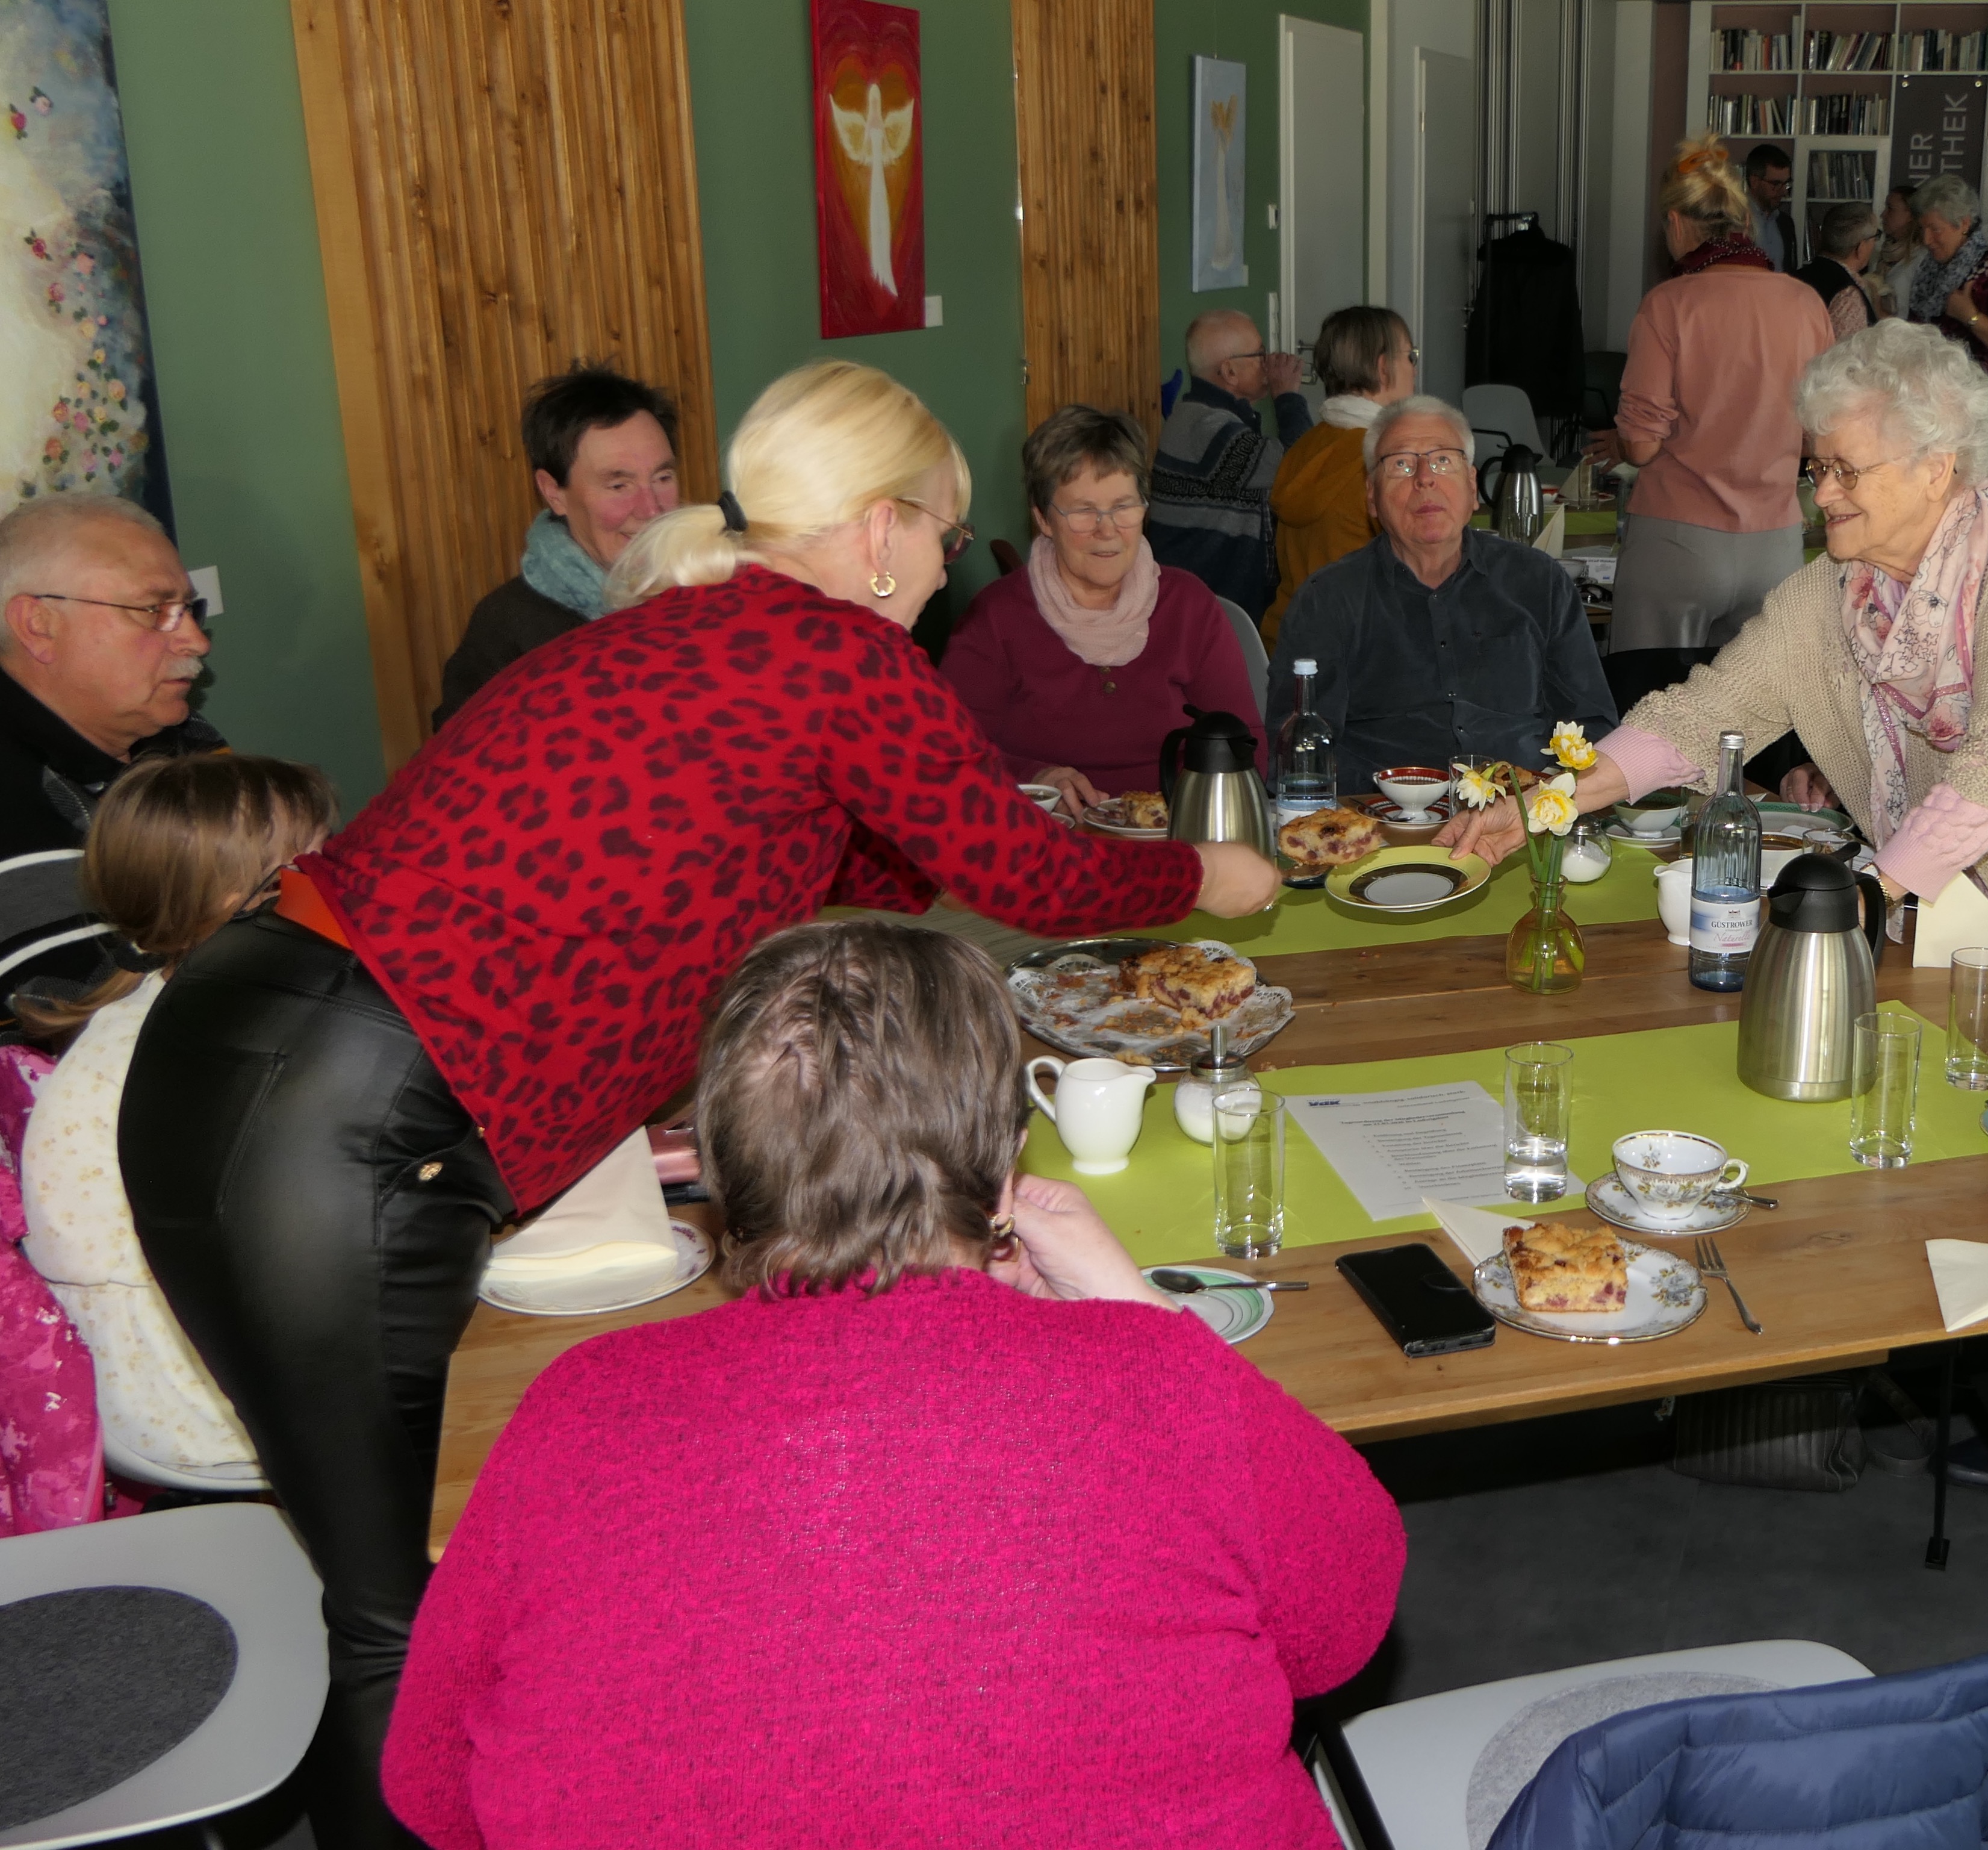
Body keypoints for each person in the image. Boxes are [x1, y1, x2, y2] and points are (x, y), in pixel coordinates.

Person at [117, 360, 1279, 1850]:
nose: (946, 565)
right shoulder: (833, 652)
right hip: (328, 1103)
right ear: (874, 530)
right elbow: (1032, 876)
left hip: (271, 1054)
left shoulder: (716, 635)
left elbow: (839, 885)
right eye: (939, 532)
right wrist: (1206, 871)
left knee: (399, 1592)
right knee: (397, 1616)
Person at [383, 920, 1401, 1848]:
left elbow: (432, 1786)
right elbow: (1344, 1622)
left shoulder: (580, 1406)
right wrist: (1134, 1308)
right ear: (1006, 1161)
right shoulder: (1158, 1377)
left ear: (715, 1172)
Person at [1447, 320, 1988, 1465]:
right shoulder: (1841, 591)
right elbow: (1699, 709)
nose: (1820, 491)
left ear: (1937, 465)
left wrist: (1864, 894)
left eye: (1842, 469)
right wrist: (1548, 803)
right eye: (1813, 465)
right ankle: (1973, 1332)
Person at [22, 755, 332, 1482]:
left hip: (155, 1376)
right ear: (240, 899)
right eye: (321, 861)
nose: (346, 880)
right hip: (201, 1403)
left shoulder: (158, 1004)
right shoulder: (213, 1052)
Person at [1593, 135, 1833, 708]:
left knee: (1651, 720)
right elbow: (1817, 437)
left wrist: (1631, 442)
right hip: (1774, 544)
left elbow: (1644, 446)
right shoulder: (1804, 303)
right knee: (1749, 724)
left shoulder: (1670, 304)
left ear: (1677, 223)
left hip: (1679, 542)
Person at [1281, 396, 1617, 788]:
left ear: (1473, 487)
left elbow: (1593, 726)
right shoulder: (1328, 599)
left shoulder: (1539, 582)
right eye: (1402, 464)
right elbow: (1299, 756)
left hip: (1525, 816)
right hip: (1379, 822)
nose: (1425, 478)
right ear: (1371, 496)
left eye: (1443, 460)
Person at [943, 406, 1264, 810]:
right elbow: (950, 755)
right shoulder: (995, 618)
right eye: (1083, 510)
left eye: (1123, 506)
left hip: (1177, 833)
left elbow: (1246, 744)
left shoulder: (1189, 607)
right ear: (1043, 518)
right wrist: (1036, 780)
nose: (1107, 529)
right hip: (1050, 842)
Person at [0, 495, 221, 992]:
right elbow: (78, 1023)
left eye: (188, 609)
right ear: (38, 626)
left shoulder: (183, 739)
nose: (197, 641)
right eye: (153, 610)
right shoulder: (16, 809)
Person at [432, 363, 681, 727]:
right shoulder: (509, 629)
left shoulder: (715, 592)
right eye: (619, 485)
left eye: (662, 477)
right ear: (554, 493)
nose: (652, 510)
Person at [1148, 308, 1312, 621]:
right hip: (1206, 611)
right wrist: (1288, 396)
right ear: (1230, 373)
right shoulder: (1209, 429)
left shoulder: (1206, 415)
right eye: (1260, 354)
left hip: (1216, 601)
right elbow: (1300, 464)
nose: (1269, 362)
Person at [1264, 305, 1415, 638]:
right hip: (1354, 653)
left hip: (1287, 642)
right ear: (1383, 368)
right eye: (1410, 356)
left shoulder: (1306, 445)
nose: (1414, 368)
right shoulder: (1385, 459)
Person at [1906, 173, 1988, 467]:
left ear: (1963, 223)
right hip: (1938, 415)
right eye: (1923, 229)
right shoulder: (1930, 271)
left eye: (1935, 229)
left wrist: (1971, 316)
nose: (1927, 240)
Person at [1801, 203, 1884, 339]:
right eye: (1875, 237)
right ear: (1861, 248)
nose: (1875, 243)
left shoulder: (1797, 276)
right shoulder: (1848, 296)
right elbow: (1851, 354)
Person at [1746, 141, 1801, 274]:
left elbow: (1790, 269)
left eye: (1786, 183)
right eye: (1775, 184)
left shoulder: (1786, 223)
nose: (1783, 191)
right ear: (1754, 182)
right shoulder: (1735, 221)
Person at [1875, 184, 1924, 322]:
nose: (1883, 215)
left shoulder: (1922, 257)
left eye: (1890, 209)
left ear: (1910, 215)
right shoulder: (1884, 254)